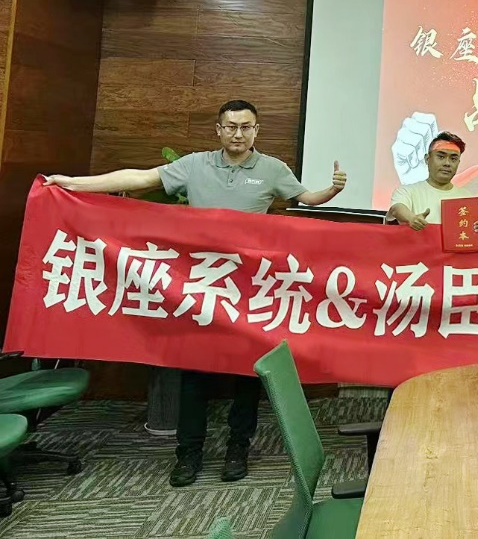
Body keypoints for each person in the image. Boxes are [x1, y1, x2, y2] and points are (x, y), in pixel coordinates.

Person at [43, 100, 346, 488]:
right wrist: (71, 183)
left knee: (248, 375)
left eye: (246, 127)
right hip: (200, 288)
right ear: (218, 130)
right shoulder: (195, 165)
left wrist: (332, 190)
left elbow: (307, 198)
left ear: (257, 130)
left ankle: (238, 448)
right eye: (231, 126)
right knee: (193, 374)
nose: (238, 134)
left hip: (248, 291)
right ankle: (188, 453)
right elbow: (140, 178)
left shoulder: (273, 169)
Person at [386, 131, 476, 228]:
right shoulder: (406, 191)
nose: (447, 163)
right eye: (441, 157)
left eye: (453, 159)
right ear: (427, 159)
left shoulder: (467, 197)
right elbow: (396, 209)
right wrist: (412, 218)